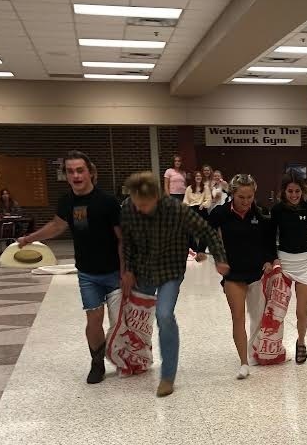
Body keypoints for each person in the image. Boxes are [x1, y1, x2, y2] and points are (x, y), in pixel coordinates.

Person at [120, 171, 229, 397]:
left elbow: (207, 231)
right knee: (136, 317)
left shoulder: (176, 209)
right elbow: (128, 242)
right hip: (142, 270)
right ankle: (137, 359)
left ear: (157, 198)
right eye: (136, 203)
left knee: (164, 315)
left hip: (170, 270)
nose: (139, 208)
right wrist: (128, 270)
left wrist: (219, 259)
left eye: (144, 204)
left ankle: (167, 376)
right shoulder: (130, 208)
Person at [17, 151, 122, 385]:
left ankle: (127, 358)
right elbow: (56, 227)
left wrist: (127, 272)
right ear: (66, 175)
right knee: (93, 319)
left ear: (90, 173)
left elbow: (122, 238)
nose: (76, 175)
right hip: (87, 273)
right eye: (71, 171)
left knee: (119, 323)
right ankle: (97, 364)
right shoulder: (66, 202)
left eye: (80, 170)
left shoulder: (107, 202)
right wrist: (30, 238)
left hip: (115, 272)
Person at [209, 174, 276, 380]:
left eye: (250, 197)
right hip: (233, 275)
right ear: (232, 194)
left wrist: (269, 260)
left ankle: (256, 351)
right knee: (237, 318)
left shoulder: (261, 213)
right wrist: (217, 258)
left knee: (257, 317)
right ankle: (243, 362)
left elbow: (269, 242)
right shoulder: (220, 213)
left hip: (257, 273)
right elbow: (206, 235)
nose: (246, 202)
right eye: (241, 198)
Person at [268, 172, 307, 364]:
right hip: (283, 262)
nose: (294, 195)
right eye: (290, 191)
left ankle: (301, 342)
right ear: (284, 192)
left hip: (304, 264)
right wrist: (273, 259)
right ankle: (274, 344)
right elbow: (269, 237)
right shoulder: (277, 210)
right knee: (278, 310)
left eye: (297, 191)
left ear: (302, 191)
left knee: (301, 312)